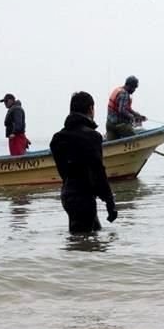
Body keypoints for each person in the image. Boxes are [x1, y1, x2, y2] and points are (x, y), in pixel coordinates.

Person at [50, 91, 118, 233]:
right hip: (83, 198)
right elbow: (98, 171)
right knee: (85, 244)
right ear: (90, 109)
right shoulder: (92, 136)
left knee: (88, 238)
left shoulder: (57, 138)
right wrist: (109, 201)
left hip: (68, 195)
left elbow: (64, 172)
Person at [106, 75, 147, 139]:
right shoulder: (124, 94)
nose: (134, 90)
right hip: (119, 125)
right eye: (134, 87)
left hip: (109, 124)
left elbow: (127, 108)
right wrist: (133, 117)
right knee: (135, 139)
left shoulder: (118, 90)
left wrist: (137, 115)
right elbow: (122, 110)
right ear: (129, 86)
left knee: (113, 143)